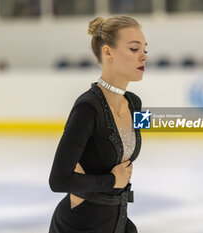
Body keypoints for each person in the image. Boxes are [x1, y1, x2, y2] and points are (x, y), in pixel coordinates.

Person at [48, 15, 148, 233]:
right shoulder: (87, 107)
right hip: (81, 224)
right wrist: (111, 181)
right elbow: (58, 180)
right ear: (107, 52)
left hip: (118, 219)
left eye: (145, 49)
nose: (143, 57)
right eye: (134, 49)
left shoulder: (135, 103)